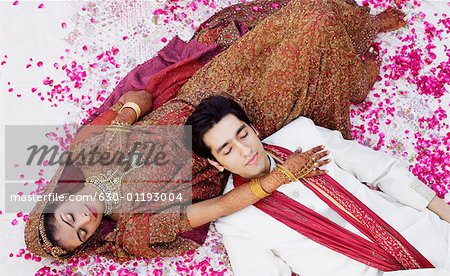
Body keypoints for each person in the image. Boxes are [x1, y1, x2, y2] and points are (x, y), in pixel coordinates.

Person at [25, 0, 407, 261]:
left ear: (59, 200)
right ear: (91, 240)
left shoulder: (89, 153)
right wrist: (279, 178)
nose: (85, 220)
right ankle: (353, 74)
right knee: (314, 28)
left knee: (311, 9)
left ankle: (361, 31)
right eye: (82, 233)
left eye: (70, 217)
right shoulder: (135, 229)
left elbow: (139, 97)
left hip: (207, 91)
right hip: (226, 135)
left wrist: (126, 112)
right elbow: (220, 206)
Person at [186, 96, 450, 276]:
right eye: (227, 150)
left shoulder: (301, 135)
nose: (245, 151)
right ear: (215, 162)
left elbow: (382, 170)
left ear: (253, 128)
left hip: (421, 235)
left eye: (242, 134)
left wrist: (444, 212)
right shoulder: (236, 221)